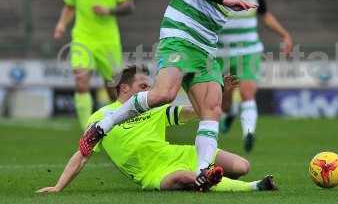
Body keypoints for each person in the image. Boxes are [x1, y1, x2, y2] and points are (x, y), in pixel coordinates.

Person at [79, 0, 274, 190]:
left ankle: (203, 172)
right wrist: (226, 0)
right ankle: (103, 126)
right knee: (163, 94)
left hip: (204, 49)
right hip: (180, 38)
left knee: (212, 108)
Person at [36, 66, 278, 193]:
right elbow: (82, 154)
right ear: (124, 89)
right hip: (153, 173)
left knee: (241, 166)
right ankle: (254, 187)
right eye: (143, 85)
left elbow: (197, 112)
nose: (149, 91)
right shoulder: (101, 117)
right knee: (185, 176)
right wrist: (59, 186)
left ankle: (207, 179)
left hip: (178, 154)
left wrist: (217, 92)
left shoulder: (154, 108)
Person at [53, 0, 134, 129]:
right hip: (82, 37)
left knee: (113, 88)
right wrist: (61, 24)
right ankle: (86, 132)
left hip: (108, 40)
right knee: (81, 79)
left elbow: (129, 5)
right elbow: (70, 6)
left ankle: (120, 127)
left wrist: (109, 10)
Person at [217, 0, 293, 152]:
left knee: (247, 92)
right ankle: (229, 114)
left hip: (249, 51)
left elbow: (265, 15)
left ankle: (248, 133)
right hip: (220, 54)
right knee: (225, 100)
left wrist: (284, 35)